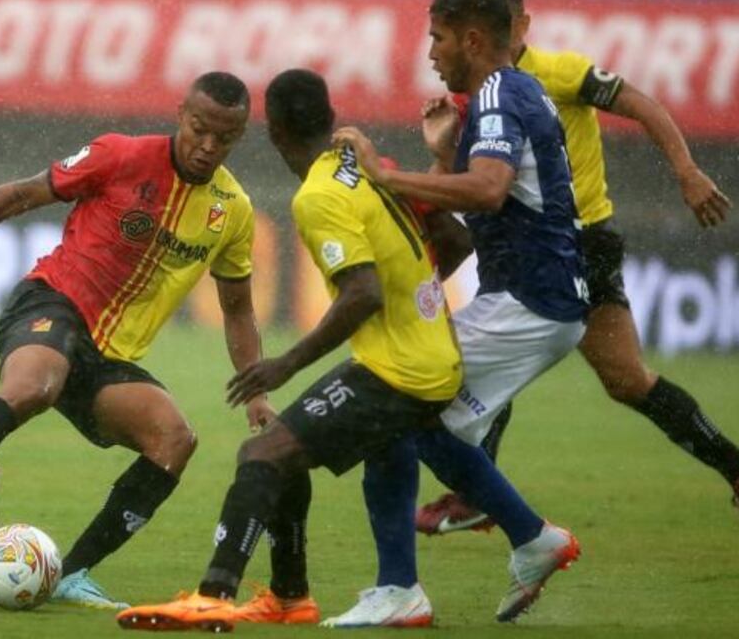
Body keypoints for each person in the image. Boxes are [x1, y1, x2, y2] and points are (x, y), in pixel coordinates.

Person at [115, 68, 577, 632]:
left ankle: (213, 596)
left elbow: (362, 293)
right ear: (331, 118)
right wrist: (417, 304)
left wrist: (284, 364)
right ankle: (494, 549)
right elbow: (455, 240)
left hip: (399, 369)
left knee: (263, 456)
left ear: (276, 131)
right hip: (433, 352)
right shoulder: (368, 166)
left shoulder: (318, 196)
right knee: (394, 443)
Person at [0, 72, 273, 609]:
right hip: (51, 305)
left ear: (239, 135)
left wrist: (260, 395)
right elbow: (21, 196)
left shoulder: (233, 211)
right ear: (180, 113)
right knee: (35, 385)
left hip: (108, 358)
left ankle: (71, 574)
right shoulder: (119, 155)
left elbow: (239, 309)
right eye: (199, 129)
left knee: (175, 439)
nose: (207, 146)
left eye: (224, 138)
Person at [417, 0, 739, 535]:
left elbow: (640, 101)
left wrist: (686, 171)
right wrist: (447, 147)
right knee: (586, 372)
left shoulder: (558, 72)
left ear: (522, 25)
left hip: (579, 242)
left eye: (511, 23)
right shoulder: (483, 93)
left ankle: (475, 492)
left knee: (617, 378)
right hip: (527, 246)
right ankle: (475, 491)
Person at [332, 0, 589, 623]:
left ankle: (400, 590)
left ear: (473, 38)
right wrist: (448, 151)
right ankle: (531, 539)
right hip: (541, 300)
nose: (430, 53)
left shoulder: (501, 92)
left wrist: (385, 176)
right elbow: (498, 190)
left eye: (438, 38)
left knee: (389, 405)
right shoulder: (505, 95)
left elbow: (490, 190)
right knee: (416, 422)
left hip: (530, 301)